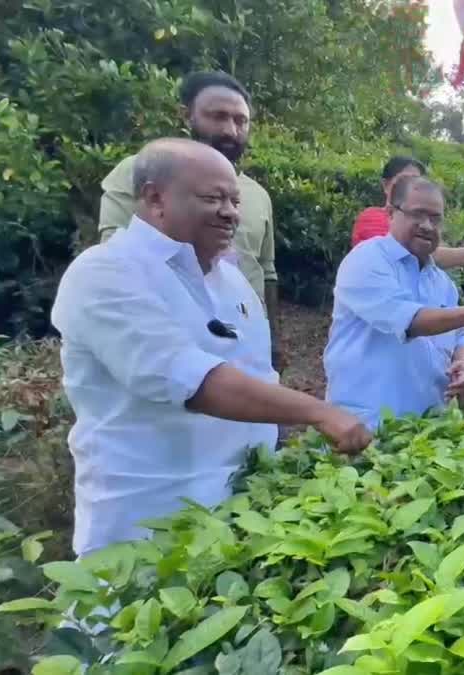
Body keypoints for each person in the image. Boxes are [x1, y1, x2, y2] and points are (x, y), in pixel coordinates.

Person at [52, 139, 371, 557]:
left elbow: (257, 375)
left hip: (238, 513)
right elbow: (192, 380)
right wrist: (320, 412)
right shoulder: (104, 273)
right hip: (147, 522)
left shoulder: (231, 280)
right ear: (154, 198)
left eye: (234, 200)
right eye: (212, 198)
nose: (230, 212)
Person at [98, 71, 287, 371]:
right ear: (186, 116)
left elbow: (266, 272)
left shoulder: (258, 195)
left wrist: (272, 342)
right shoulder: (140, 173)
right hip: (167, 347)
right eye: (218, 117)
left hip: (244, 344)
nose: (230, 130)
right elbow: (114, 260)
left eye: (241, 120)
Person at [324, 176, 464, 431]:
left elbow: (459, 335)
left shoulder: (441, 283)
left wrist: (462, 360)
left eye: (435, 218)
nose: (427, 225)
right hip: (364, 425)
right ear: (391, 213)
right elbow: (411, 321)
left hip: (425, 429)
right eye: (418, 214)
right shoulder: (367, 260)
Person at [350, 156, 464, 268]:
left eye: (417, 181)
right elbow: (430, 256)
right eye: (404, 179)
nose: (411, 186)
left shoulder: (426, 228)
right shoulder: (372, 218)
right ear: (386, 185)